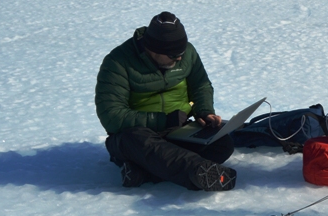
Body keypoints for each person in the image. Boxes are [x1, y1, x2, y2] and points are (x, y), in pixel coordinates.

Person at [95, 11, 237, 191]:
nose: (179, 58)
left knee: (222, 145)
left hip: (178, 130)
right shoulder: (117, 63)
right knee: (138, 140)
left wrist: (204, 111)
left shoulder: (187, 53)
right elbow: (112, 115)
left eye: (181, 52)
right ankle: (198, 172)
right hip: (135, 135)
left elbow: (200, 85)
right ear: (152, 49)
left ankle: (142, 173)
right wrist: (162, 120)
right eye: (173, 54)